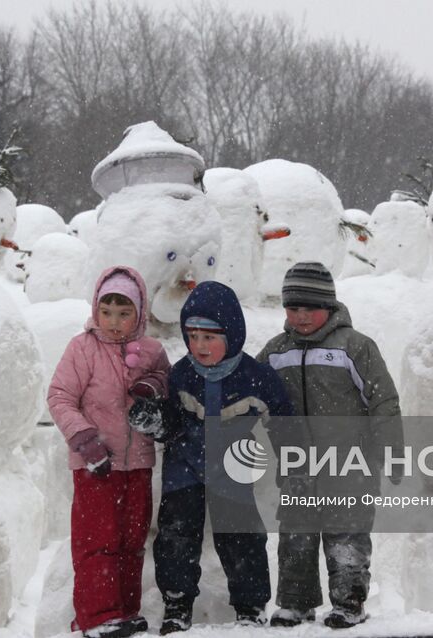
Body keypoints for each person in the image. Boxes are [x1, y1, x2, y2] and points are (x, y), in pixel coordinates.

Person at [139, 281, 293, 634]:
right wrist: (156, 420)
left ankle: (250, 606)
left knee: (243, 535)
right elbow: (171, 422)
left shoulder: (255, 377)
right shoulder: (181, 374)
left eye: (210, 337)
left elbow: (283, 422)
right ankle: (177, 605)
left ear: (233, 334)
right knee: (176, 536)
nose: (200, 346)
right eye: (192, 336)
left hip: (232, 468)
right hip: (185, 469)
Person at [257, 261, 402, 629]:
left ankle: (349, 603)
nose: (302, 317)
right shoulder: (275, 352)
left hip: (350, 465)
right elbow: (251, 395)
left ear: (330, 305)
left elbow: (383, 401)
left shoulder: (354, 347)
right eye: (294, 308)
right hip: (298, 467)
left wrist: (392, 449)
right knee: (296, 537)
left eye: (310, 308)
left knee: (346, 536)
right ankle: (295, 603)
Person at [48, 266, 171, 638]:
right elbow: (60, 397)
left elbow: (167, 384)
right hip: (95, 465)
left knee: (131, 542)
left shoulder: (152, 350)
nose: (114, 322)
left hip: (138, 464)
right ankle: (96, 617)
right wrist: (84, 439)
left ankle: (124, 611)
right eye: (106, 312)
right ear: (95, 310)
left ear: (140, 313)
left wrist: (153, 386)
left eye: (124, 313)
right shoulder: (82, 348)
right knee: (96, 542)